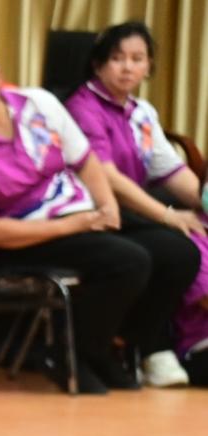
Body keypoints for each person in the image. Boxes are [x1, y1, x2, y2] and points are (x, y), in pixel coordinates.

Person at [0, 44, 151, 393]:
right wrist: (73, 225)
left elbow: (84, 159)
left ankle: (108, 351)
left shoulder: (36, 105)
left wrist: (108, 206)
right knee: (130, 261)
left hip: (75, 210)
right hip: (21, 240)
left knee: (174, 252)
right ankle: (72, 354)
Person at [65, 21, 204, 388]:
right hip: (93, 211)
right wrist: (167, 215)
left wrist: (205, 200)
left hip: (133, 212)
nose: (127, 67)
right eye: (117, 58)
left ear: (148, 66)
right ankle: (142, 344)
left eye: (137, 59)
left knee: (193, 236)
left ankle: (147, 342)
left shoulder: (141, 112)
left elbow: (171, 170)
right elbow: (107, 177)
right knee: (177, 251)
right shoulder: (83, 107)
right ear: (98, 64)